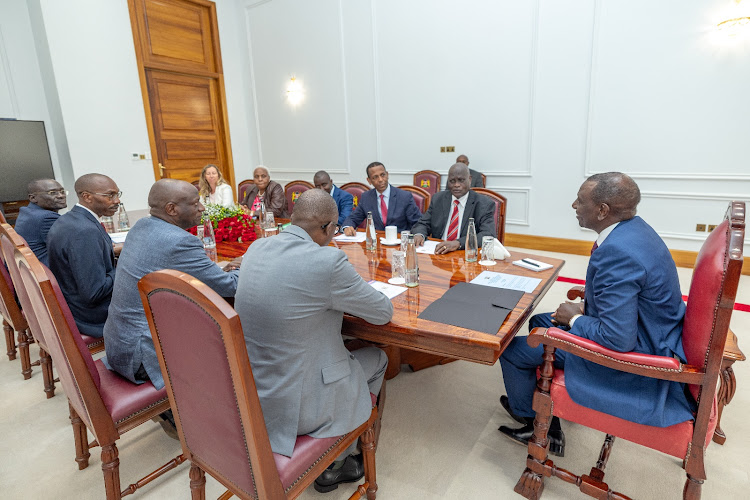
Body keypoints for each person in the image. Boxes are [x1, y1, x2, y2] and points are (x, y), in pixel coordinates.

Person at [498, 172, 694, 457]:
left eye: (580, 200)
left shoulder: (619, 252)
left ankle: (535, 423)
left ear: (603, 210)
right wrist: (589, 305)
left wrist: (575, 319)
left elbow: (617, 339)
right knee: (540, 320)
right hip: (652, 329)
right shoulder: (634, 230)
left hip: (635, 355)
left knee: (514, 349)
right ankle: (537, 402)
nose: (574, 205)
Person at [235, 189, 392, 492]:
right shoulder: (328, 261)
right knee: (378, 356)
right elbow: (382, 312)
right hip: (302, 407)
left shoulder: (257, 248)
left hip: (255, 393)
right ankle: (338, 460)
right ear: (327, 228)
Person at [103, 179, 240, 438]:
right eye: (195, 203)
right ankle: (219, 423)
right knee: (232, 339)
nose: (202, 208)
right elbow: (228, 287)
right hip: (141, 356)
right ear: (172, 209)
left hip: (118, 341)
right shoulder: (179, 241)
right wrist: (248, 266)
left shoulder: (142, 226)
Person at [47, 174, 120, 338]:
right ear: (87, 196)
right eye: (110, 195)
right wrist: (125, 266)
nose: (116, 201)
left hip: (75, 303)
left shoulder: (69, 219)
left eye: (117, 194)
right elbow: (94, 292)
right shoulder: (85, 231)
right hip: (92, 317)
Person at [411, 163, 496, 254]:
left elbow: (488, 234)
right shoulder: (438, 199)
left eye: (461, 180)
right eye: (452, 181)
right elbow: (423, 224)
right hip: (439, 253)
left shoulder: (483, 204)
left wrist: (458, 243)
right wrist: (419, 235)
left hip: (465, 254)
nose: (456, 185)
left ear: (470, 180)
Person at [341, 162, 422, 235]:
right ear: (369, 180)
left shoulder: (404, 197)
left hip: (399, 242)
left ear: (387, 175)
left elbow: (417, 222)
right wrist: (347, 226)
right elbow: (353, 218)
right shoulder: (366, 197)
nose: (380, 180)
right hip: (376, 242)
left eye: (382, 175)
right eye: (375, 177)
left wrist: (417, 235)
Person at [14, 179, 67, 266]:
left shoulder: (28, 212)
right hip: (46, 273)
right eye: (52, 193)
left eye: (62, 191)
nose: (61, 196)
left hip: (29, 269)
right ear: (33, 198)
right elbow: (69, 250)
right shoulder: (47, 218)